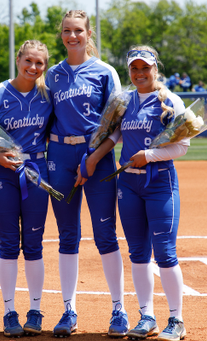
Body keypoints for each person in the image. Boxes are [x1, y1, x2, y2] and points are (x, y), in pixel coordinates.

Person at [91, 45, 189, 341]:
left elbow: (182, 147)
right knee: (137, 253)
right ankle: (147, 316)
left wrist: (149, 153)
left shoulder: (170, 101)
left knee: (165, 253)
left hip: (159, 182)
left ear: (155, 69)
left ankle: (177, 320)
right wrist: (93, 157)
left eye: (145, 68)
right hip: (129, 186)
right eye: (134, 68)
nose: (139, 73)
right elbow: (115, 136)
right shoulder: (123, 102)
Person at [45, 9, 128, 338]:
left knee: (106, 235)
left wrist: (93, 158)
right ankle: (69, 310)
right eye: (67, 30)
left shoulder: (105, 72)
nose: (72, 36)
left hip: (98, 157)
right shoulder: (51, 75)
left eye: (78, 30)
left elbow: (118, 125)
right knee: (67, 236)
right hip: (60, 157)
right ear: (61, 34)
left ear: (88, 33)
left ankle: (119, 310)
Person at [0, 40, 52, 337]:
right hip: (2, 172)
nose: (33, 67)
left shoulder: (49, 95)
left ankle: (35, 311)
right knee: (8, 243)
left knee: (34, 244)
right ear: (18, 58)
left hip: (36, 171)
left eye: (40, 63)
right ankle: (9, 312)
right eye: (29, 61)